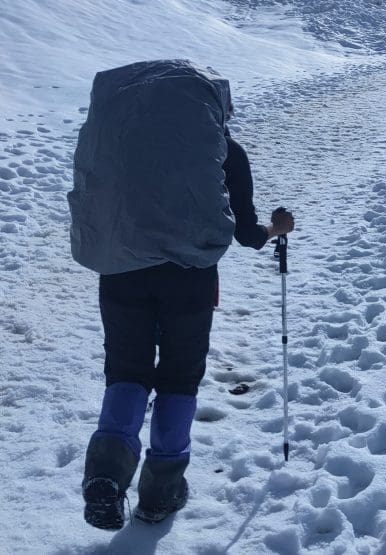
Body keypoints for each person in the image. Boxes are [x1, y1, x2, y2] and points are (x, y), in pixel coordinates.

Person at [73, 65, 295, 530]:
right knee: (179, 377)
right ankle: (161, 492)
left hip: (121, 269)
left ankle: (107, 474)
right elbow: (249, 234)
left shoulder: (112, 142)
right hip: (189, 278)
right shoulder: (224, 149)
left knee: (127, 371)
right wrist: (278, 229)